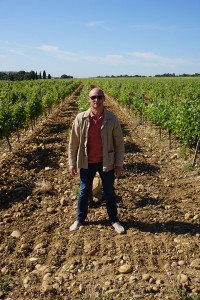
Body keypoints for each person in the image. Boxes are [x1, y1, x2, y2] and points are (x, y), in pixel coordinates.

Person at [68, 88, 125, 234]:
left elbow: (119, 144)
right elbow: (73, 143)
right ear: (88, 100)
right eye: (93, 97)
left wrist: (119, 164)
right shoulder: (80, 118)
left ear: (104, 99)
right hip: (86, 161)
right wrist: (72, 162)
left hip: (107, 161)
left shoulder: (112, 119)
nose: (96, 100)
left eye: (99, 97)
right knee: (83, 190)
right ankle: (80, 220)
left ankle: (114, 220)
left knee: (109, 191)